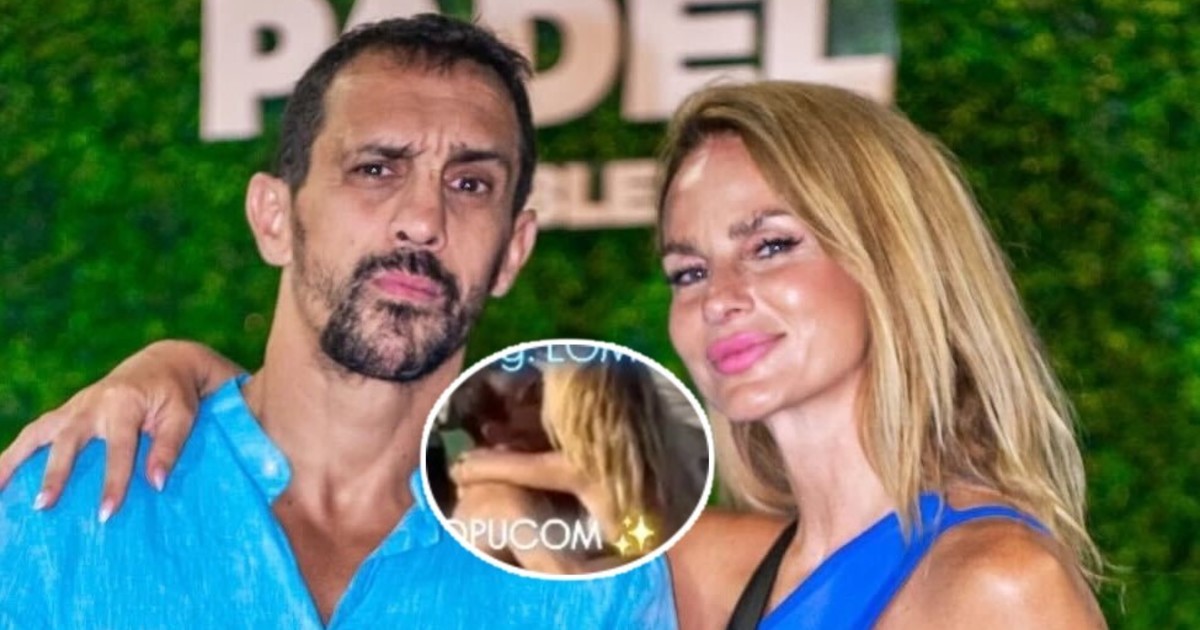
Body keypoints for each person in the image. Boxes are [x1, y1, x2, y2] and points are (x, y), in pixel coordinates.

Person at [1, 81, 1108, 628]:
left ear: (894, 257)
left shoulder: (994, 584)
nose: (722, 297)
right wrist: (176, 369)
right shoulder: (709, 564)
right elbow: (351, 429)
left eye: (772, 245)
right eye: (688, 269)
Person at [0, 15, 675, 629]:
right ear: (274, 219)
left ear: (513, 252)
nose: (423, 220)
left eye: (469, 184)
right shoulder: (61, 511)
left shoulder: (586, 570)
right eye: (375, 169)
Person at [443, 353, 706, 573]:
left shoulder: (579, 466)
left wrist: (466, 469)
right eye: (533, 395)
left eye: (544, 390)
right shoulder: (663, 442)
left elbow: (470, 467)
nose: (545, 405)